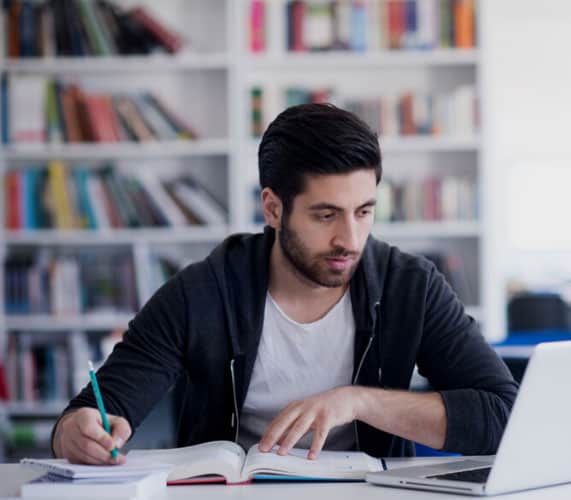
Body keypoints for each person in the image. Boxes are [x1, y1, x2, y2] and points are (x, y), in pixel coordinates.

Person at [52, 103, 518, 465]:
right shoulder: (201, 293)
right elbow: (94, 409)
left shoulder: (410, 287)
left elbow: (502, 415)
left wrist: (357, 402)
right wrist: (78, 431)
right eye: (325, 215)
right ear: (273, 209)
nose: (350, 240)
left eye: (364, 211)